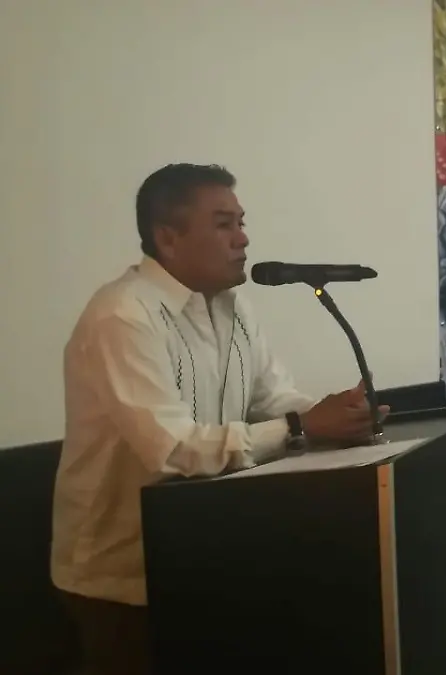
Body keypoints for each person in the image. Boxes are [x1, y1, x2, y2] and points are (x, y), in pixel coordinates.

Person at [52, 164, 387, 675]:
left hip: (206, 555)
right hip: (121, 580)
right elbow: (173, 450)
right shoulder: (123, 316)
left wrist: (338, 417)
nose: (243, 238)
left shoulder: (234, 308)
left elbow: (272, 398)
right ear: (168, 237)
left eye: (241, 222)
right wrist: (302, 428)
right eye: (224, 224)